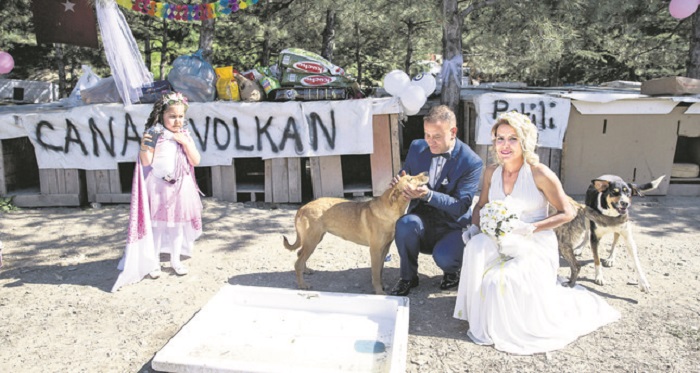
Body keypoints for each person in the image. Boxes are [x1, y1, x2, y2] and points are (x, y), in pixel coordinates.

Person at [452, 111, 620, 354]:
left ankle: (507, 325)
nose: (505, 145)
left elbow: (567, 212)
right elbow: (481, 205)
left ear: (524, 141)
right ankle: (477, 314)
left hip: (533, 242)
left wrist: (532, 227)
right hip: (499, 238)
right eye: (500, 139)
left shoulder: (540, 173)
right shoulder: (491, 172)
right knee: (475, 248)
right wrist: (475, 227)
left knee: (496, 282)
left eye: (513, 139)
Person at [112, 92, 203, 292]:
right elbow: (146, 162)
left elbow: (196, 160)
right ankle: (153, 262)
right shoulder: (155, 134)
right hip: (159, 187)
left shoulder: (184, 135)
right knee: (158, 227)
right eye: (172, 116)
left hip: (180, 187)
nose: (177, 120)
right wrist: (146, 145)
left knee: (177, 226)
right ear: (162, 115)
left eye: (180, 116)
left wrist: (185, 143)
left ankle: (175, 260)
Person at [389, 105, 483, 296]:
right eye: (427, 135)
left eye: (437, 136)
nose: (430, 142)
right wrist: (401, 182)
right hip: (422, 219)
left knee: (446, 257)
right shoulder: (417, 147)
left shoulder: (471, 162)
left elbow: (460, 206)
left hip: (451, 225)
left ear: (453, 132)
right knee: (405, 224)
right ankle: (408, 277)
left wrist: (428, 195)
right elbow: (407, 174)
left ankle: (452, 272)